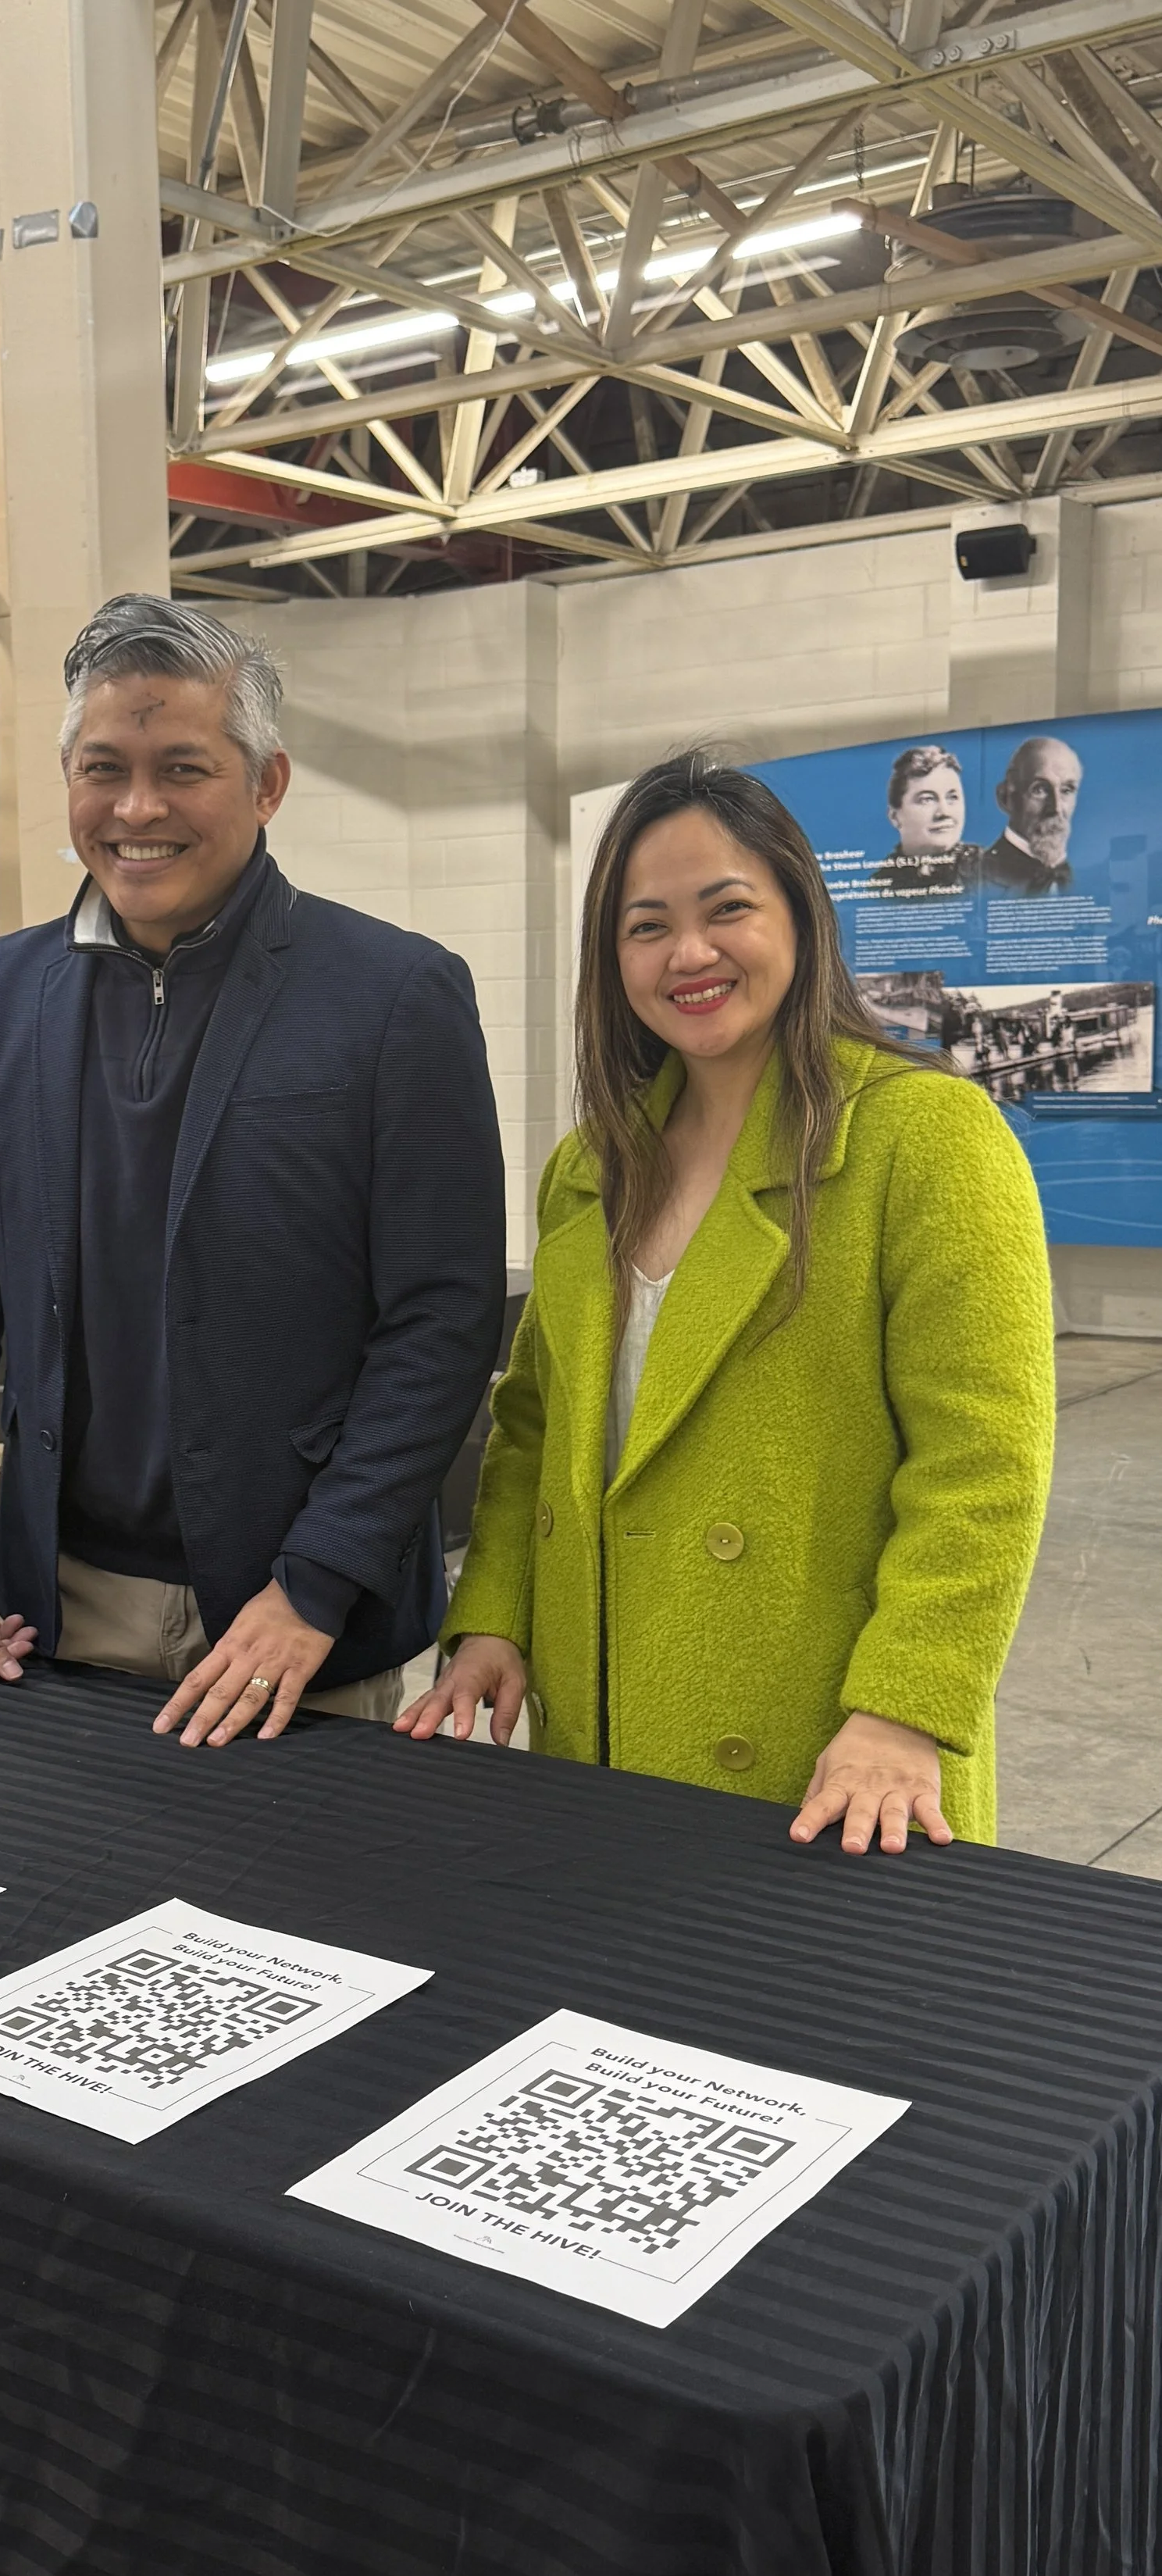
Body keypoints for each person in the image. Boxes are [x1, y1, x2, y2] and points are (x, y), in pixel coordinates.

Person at [0, 592, 506, 1743]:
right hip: (46, 1612)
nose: (136, 809)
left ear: (266, 785)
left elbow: (441, 1322)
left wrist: (319, 1579)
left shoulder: (394, 996)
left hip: (298, 1627)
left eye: (184, 769)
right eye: (102, 767)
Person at [399, 752, 1054, 1852]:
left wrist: (905, 1705)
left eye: (726, 910)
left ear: (801, 913)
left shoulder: (926, 1139)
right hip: (597, 1719)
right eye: (645, 926)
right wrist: (495, 1617)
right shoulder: (591, 1169)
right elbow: (530, 1429)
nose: (688, 954)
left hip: (834, 1754)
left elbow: (983, 1465)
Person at [978, 733, 1081, 894]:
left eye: (1067, 790)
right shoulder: (977, 880)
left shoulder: (1085, 880)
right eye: (1039, 790)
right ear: (1005, 798)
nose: (1056, 808)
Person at [868, 744, 975, 893]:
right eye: (927, 800)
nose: (944, 812)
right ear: (894, 817)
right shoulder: (879, 886)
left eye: (952, 797)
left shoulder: (992, 871)